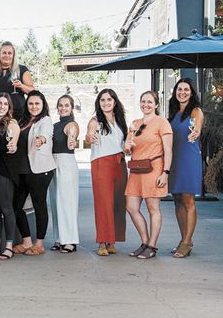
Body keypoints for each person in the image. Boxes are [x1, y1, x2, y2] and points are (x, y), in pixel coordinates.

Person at [123, 91, 173, 260]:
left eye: (150, 102)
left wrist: (165, 172)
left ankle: (152, 246)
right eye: (143, 101)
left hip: (154, 168)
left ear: (156, 105)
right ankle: (144, 242)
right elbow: (126, 148)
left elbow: (168, 149)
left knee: (153, 209)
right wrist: (127, 145)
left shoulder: (162, 123)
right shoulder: (135, 124)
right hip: (136, 170)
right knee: (131, 207)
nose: (146, 104)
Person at [85, 89, 128, 256]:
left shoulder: (121, 121)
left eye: (109, 100)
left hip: (120, 163)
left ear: (115, 102)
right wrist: (90, 137)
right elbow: (89, 136)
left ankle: (112, 240)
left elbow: (124, 144)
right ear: (99, 103)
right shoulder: (95, 121)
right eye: (102, 100)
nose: (106, 103)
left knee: (118, 203)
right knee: (103, 204)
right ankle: (102, 241)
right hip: (101, 163)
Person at [12, 90, 55, 256]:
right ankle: (26, 241)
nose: (34, 106)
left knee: (39, 205)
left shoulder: (46, 120)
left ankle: (39, 244)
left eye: (37, 103)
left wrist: (41, 140)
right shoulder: (22, 120)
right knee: (16, 205)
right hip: (22, 169)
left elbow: (45, 134)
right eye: (31, 103)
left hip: (40, 169)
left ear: (43, 104)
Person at [167, 79, 203, 258]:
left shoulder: (196, 111)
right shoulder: (172, 113)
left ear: (191, 92)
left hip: (189, 159)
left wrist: (195, 132)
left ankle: (187, 242)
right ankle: (184, 240)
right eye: (179, 89)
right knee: (177, 199)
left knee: (188, 200)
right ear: (175, 92)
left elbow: (197, 128)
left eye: (186, 90)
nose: (182, 92)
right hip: (174, 160)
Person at [0, 93, 20, 260]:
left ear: (9, 107)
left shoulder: (11, 123)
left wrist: (13, 144)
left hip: (4, 171)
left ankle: (9, 246)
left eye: (5, 104)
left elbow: (14, 137)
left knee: (6, 208)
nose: (2, 106)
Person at [47, 95, 80, 253]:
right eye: (60, 105)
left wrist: (72, 141)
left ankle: (70, 240)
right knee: (55, 202)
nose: (63, 108)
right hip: (53, 162)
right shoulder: (55, 125)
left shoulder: (71, 124)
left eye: (66, 105)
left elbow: (72, 136)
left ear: (71, 108)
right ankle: (59, 238)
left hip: (66, 163)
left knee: (67, 202)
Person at [0, 42, 34, 121]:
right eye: (4, 53)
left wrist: (21, 86)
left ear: (13, 56)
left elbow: (32, 92)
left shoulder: (22, 69)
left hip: (18, 115)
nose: (7, 55)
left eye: (10, 53)